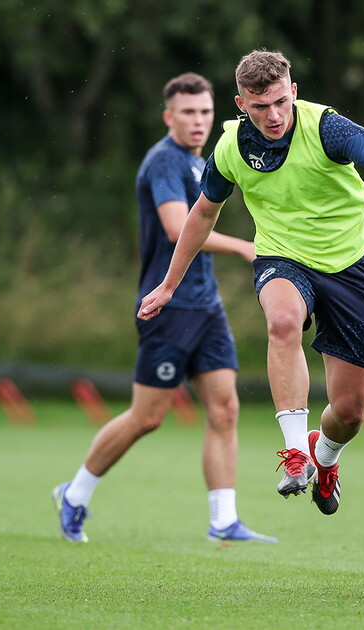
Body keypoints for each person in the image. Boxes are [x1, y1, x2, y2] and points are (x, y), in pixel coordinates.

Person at [138, 50, 364, 517]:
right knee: (282, 321)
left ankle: (324, 455)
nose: (273, 115)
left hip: (348, 264)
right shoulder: (232, 148)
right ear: (241, 104)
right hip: (282, 256)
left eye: (279, 102)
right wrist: (169, 285)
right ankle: (296, 454)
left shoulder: (327, 128)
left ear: (293, 92)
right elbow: (202, 215)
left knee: (351, 413)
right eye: (259, 107)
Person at [52, 72, 275, 544]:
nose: (198, 121)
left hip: (206, 307)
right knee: (147, 417)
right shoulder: (163, 163)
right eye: (188, 113)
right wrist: (244, 247)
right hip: (166, 307)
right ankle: (74, 494)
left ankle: (223, 521)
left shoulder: (205, 161)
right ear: (168, 117)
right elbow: (178, 229)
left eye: (205, 112)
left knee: (225, 410)